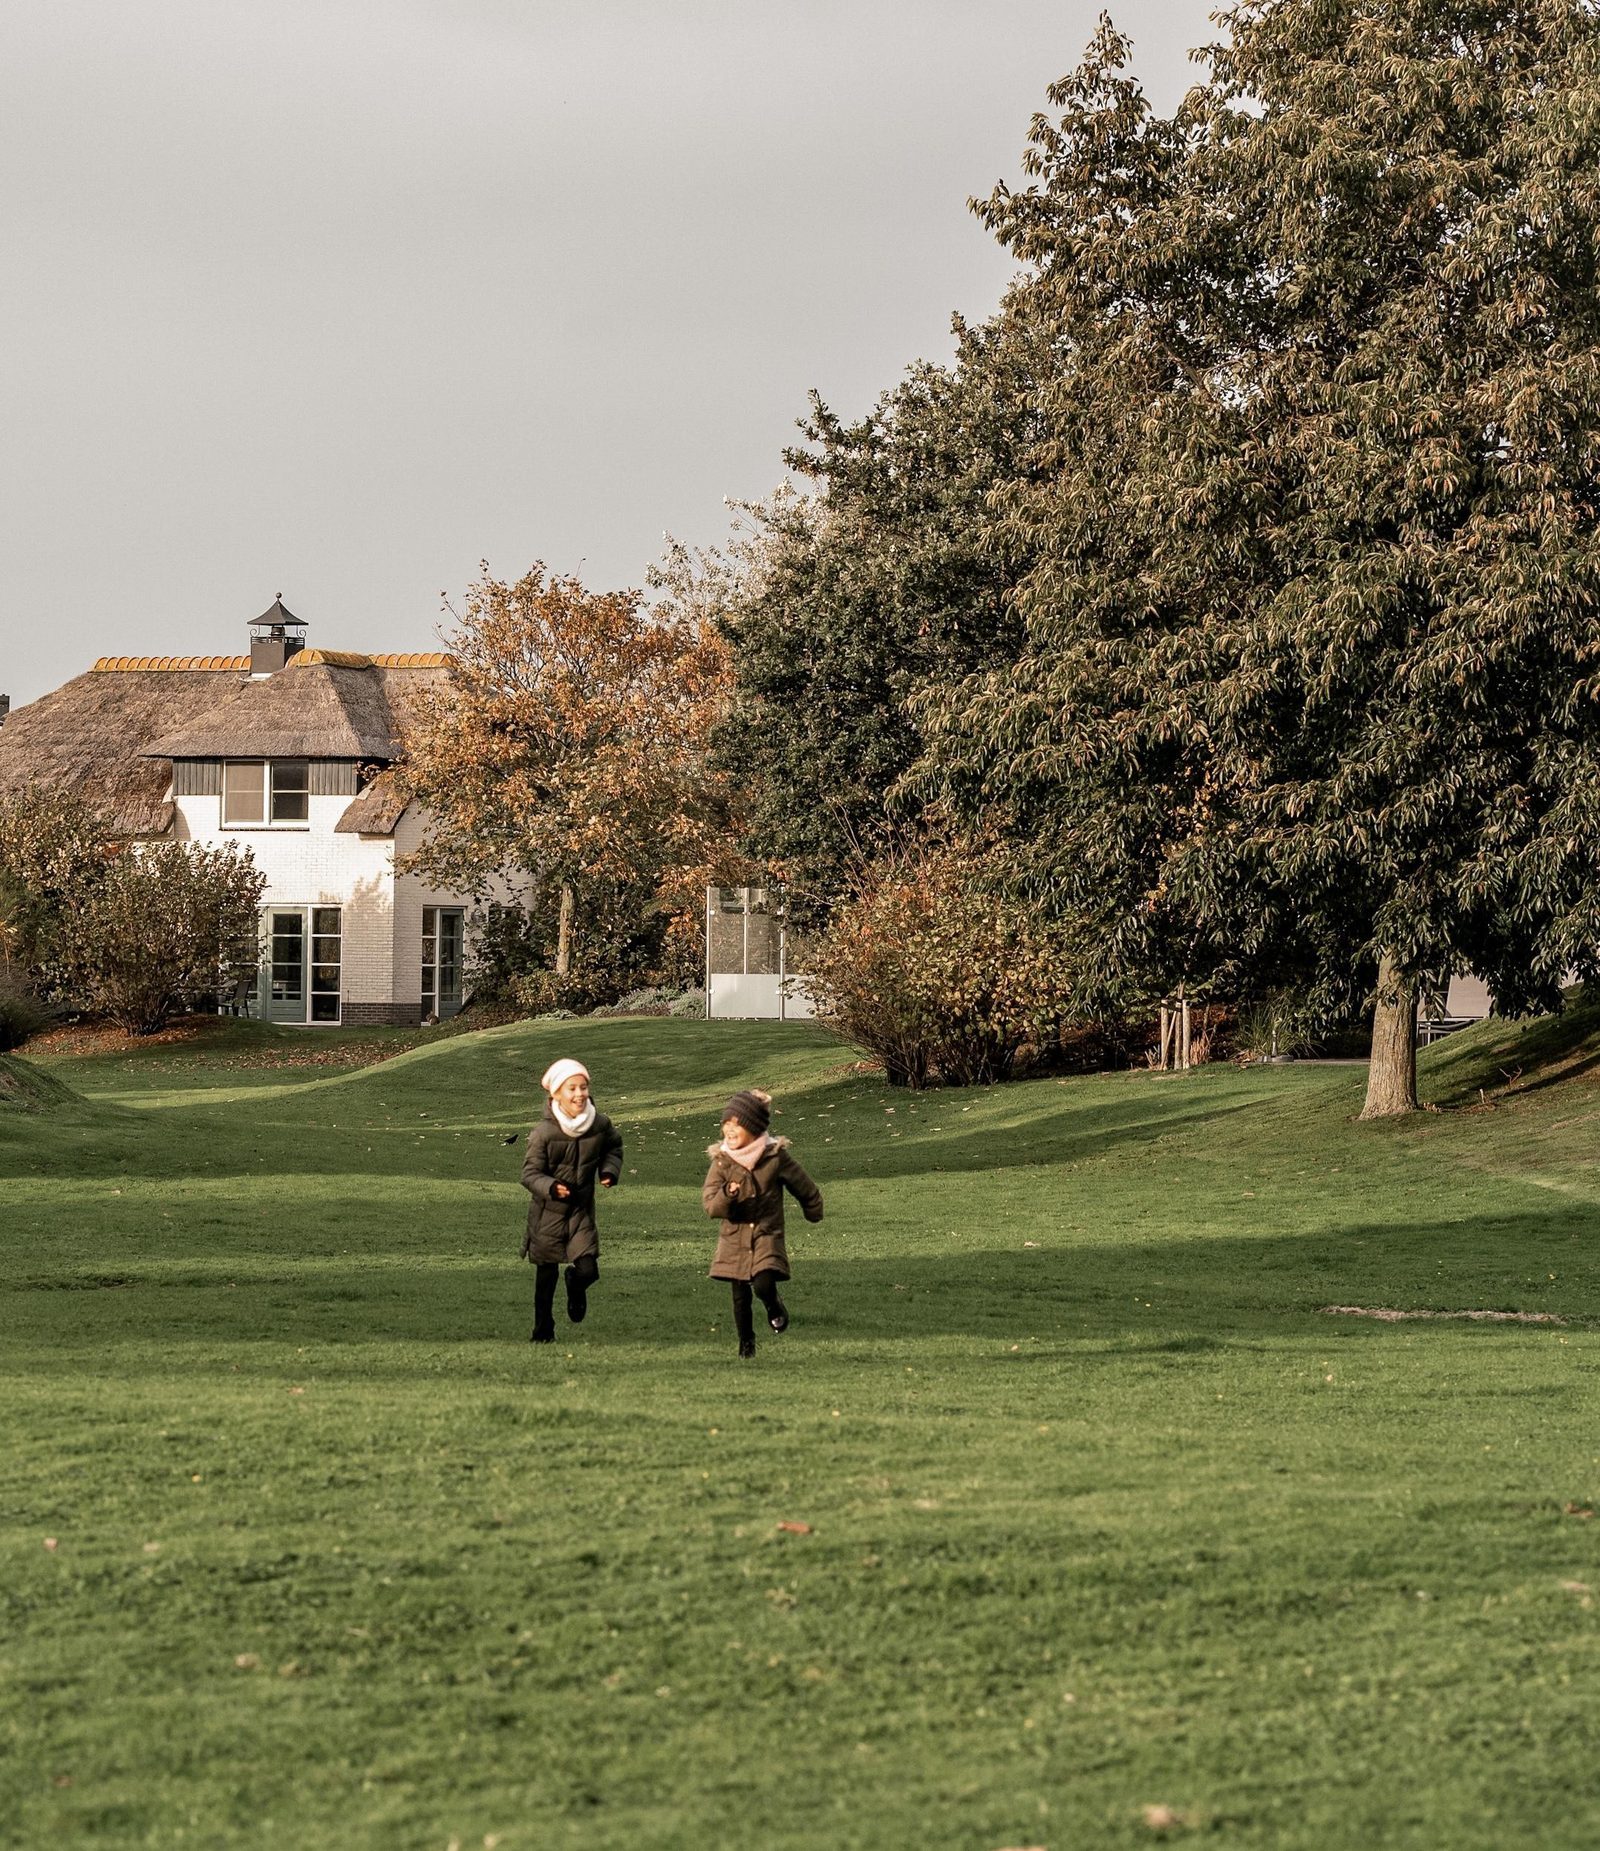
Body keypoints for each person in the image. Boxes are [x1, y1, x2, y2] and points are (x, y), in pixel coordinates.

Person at [702, 1088, 824, 1360]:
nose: (730, 1131)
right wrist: (728, 1194)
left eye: (737, 1125)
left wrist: (813, 1207)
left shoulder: (774, 1157)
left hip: (767, 1234)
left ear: (755, 1129)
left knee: (763, 1283)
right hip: (734, 1238)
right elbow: (711, 1205)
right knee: (740, 1297)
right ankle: (746, 1344)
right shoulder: (722, 1161)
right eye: (726, 1124)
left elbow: (802, 1185)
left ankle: (773, 1305)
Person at [521, 1058, 623, 1343]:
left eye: (583, 1087)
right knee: (546, 1276)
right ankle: (543, 1331)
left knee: (589, 1269)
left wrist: (608, 1171)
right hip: (547, 1214)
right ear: (556, 1094)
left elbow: (613, 1147)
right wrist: (551, 1187)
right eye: (572, 1089)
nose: (579, 1094)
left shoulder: (599, 1125)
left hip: (580, 1212)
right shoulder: (543, 1134)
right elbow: (529, 1174)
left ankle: (576, 1285)